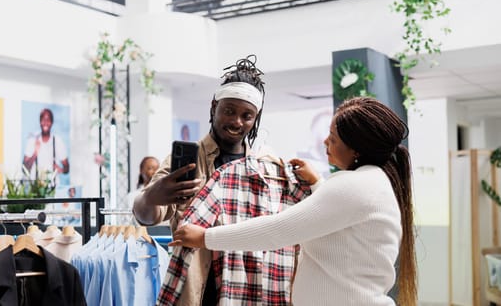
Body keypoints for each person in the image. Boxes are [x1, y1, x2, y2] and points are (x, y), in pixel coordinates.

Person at [170, 97, 418, 306]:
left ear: (356, 149)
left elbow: (278, 230)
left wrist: (205, 237)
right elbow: (340, 226)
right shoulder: (373, 182)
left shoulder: (354, 185)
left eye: (333, 138)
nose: (325, 142)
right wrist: (318, 184)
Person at [133, 55, 311, 305]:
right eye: (229, 111)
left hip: (251, 291)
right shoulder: (189, 162)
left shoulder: (266, 169)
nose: (236, 122)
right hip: (198, 292)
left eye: (246, 115)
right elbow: (146, 215)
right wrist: (151, 196)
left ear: (255, 118)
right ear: (213, 106)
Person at [23, 108, 69, 187]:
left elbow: (67, 168)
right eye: (43, 119)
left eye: (48, 120)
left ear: (52, 122)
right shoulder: (32, 140)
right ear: (40, 122)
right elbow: (24, 169)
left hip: (53, 189)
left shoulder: (58, 141)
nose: (45, 122)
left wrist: (61, 169)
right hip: (35, 190)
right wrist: (35, 153)